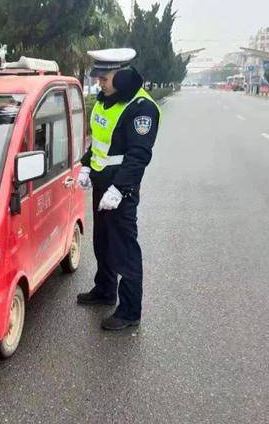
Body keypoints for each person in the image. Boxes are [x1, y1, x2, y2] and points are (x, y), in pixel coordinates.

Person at [76, 48, 161, 331]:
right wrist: (87, 164)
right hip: (102, 183)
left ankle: (129, 311)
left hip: (120, 190)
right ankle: (104, 290)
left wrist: (120, 189)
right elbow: (99, 141)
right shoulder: (106, 100)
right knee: (102, 241)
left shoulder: (141, 108)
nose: (100, 82)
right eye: (98, 77)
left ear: (123, 76)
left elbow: (138, 156)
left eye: (105, 77)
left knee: (124, 248)